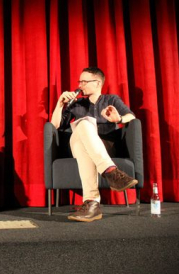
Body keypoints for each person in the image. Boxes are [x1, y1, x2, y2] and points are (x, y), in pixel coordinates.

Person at [51, 67, 138, 222]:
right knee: (84, 124)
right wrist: (60, 104)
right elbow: (55, 125)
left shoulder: (112, 100)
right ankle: (111, 172)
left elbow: (131, 117)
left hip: (105, 147)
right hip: (77, 144)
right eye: (80, 81)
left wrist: (118, 120)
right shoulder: (76, 104)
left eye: (84, 81)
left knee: (85, 143)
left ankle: (92, 203)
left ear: (98, 83)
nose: (80, 85)